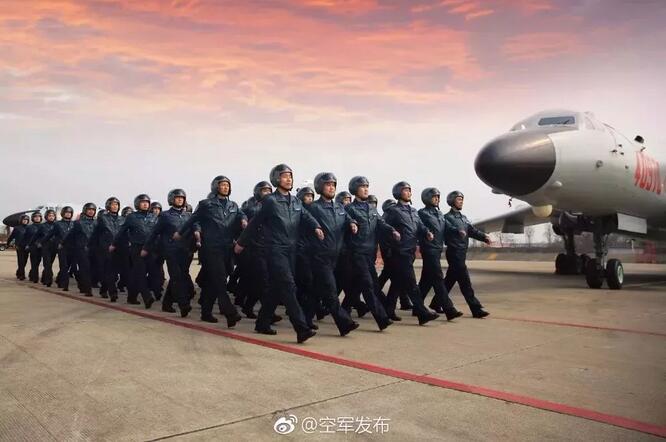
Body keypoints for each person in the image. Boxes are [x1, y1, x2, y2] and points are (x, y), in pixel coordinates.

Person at [235, 164, 323, 343]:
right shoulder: (270, 201)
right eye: (284, 176)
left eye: (290, 176)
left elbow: (306, 216)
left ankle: (262, 323)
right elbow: (255, 222)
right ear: (276, 179)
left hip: (291, 250)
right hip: (274, 249)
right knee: (289, 286)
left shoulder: (296, 201)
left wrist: (316, 227)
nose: (288, 179)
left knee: (276, 288)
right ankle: (301, 328)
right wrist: (241, 243)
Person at [177, 176, 246, 326]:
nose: (226, 187)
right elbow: (193, 219)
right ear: (215, 187)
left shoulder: (233, 205)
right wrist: (180, 232)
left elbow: (241, 215)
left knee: (212, 281)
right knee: (220, 280)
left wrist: (243, 220)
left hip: (227, 248)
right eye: (222, 185)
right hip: (211, 248)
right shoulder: (206, 204)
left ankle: (206, 312)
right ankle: (230, 312)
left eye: (227, 185)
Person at [306, 172, 360, 336]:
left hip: (336, 257)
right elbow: (305, 224)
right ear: (320, 187)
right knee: (330, 291)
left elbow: (348, 218)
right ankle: (344, 323)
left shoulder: (339, 207)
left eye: (333, 185)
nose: (331, 188)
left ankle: (306, 319)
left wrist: (352, 223)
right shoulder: (314, 208)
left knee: (316, 291)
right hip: (320, 256)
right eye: (328, 185)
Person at [343, 176, 396, 331]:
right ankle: (382, 319)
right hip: (357, 253)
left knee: (360, 285)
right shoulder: (349, 209)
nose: (366, 189)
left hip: (369, 254)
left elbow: (381, 223)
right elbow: (345, 224)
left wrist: (392, 230)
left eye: (367, 186)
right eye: (362, 187)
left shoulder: (372, 209)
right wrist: (351, 224)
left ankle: (344, 310)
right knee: (367, 286)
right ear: (355, 189)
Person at [383, 181, 439, 325]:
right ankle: (422, 313)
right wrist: (390, 244)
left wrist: (427, 232)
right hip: (399, 252)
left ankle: (388, 310)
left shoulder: (413, 211)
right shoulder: (393, 211)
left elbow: (420, 225)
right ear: (398, 193)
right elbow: (383, 228)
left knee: (397, 282)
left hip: (410, 251)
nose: (409, 192)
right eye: (405, 190)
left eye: (409, 190)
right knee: (412, 284)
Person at [144, 189, 192, 317]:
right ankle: (183, 304)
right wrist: (146, 248)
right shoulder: (165, 216)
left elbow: (194, 227)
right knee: (176, 277)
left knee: (180, 276)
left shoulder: (188, 215)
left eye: (182, 198)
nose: (180, 199)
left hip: (185, 250)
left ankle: (167, 303)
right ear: (171, 199)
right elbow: (155, 233)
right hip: (171, 251)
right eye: (177, 197)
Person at [417, 188, 463, 320]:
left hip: (437, 250)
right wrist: (427, 233)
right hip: (429, 249)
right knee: (438, 278)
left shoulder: (439, 214)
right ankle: (449, 309)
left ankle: (417, 307)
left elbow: (447, 226)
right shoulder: (422, 213)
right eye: (434, 197)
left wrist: (457, 230)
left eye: (438, 197)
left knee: (426, 280)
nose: (437, 199)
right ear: (427, 198)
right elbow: (419, 227)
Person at [443, 191, 491, 318]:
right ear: (452, 201)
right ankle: (476, 309)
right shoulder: (446, 218)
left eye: (462, 199)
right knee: (465, 283)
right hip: (454, 253)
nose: (461, 202)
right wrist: (457, 231)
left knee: (449, 281)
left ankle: (436, 303)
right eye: (458, 199)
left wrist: (484, 237)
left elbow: (472, 230)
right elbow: (447, 230)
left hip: (462, 252)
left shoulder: (463, 218)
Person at [110, 194, 157, 308]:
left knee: (144, 274)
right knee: (140, 273)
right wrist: (114, 244)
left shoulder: (153, 217)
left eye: (147, 202)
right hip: (137, 248)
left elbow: (157, 232)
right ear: (137, 204)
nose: (145, 204)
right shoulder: (132, 217)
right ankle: (147, 297)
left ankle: (131, 297)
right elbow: (121, 231)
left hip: (150, 248)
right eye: (142, 202)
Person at [92, 197, 123, 301]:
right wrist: (93, 247)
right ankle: (113, 293)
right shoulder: (103, 219)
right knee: (110, 272)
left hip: (118, 249)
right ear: (108, 206)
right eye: (113, 204)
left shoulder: (122, 219)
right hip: (105, 249)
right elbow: (95, 234)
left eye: (116, 204)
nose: (115, 206)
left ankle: (103, 289)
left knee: (113, 274)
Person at [65, 203, 97, 296]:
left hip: (94, 249)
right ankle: (87, 289)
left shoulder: (97, 223)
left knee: (94, 269)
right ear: (85, 210)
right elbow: (71, 235)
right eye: (89, 210)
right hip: (81, 249)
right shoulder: (78, 223)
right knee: (85, 269)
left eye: (93, 210)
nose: (91, 211)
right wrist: (64, 244)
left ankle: (84, 285)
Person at [41, 206, 76, 290]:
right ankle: (64, 284)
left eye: (70, 213)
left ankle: (59, 279)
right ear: (63, 214)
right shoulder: (58, 224)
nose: (68, 214)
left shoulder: (74, 224)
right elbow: (50, 234)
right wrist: (42, 242)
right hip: (61, 247)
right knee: (63, 266)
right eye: (66, 213)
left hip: (71, 248)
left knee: (68, 266)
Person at [33, 209, 57, 287]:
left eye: (53, 216)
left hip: (54, 247)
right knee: (47, 264)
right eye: (50, 216)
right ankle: (48, 280)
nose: (51, 217)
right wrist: (37, 243)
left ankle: (44, 277)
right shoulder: (42, 226)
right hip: (45, 247)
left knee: (50, 264)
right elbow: (35, 236)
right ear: (46, 217)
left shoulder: (57, 225)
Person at [7, 214, 30, 280]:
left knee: (24, 261)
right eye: (24, 220)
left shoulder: (29, 227)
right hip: (19, 246)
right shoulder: (17, 228)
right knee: (21, 261)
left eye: (26, 220)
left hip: (27, 247)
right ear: (21, 220)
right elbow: (11, 236)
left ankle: (18, 272)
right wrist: (8, 243)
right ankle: (22, 275)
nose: (25, 221)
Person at [24, 211, 43, 283]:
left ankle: (32, 273)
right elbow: (25, 237)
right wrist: (26, 245)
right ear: (33, 218)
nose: (37, 218)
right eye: (35, 217)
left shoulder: (43, 226)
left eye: (39, 217)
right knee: (34, 262)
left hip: (41, 247)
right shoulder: (29, 227)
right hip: (33, 247)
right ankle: (35, 278)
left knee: (38, 262)